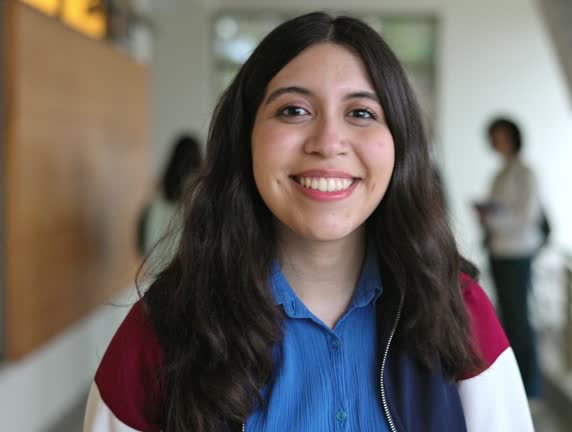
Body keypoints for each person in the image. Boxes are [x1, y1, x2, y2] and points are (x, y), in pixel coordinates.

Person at [84, 13, 533, 432]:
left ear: (400, 146)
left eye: (361, 113)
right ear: (245, 139)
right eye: (294, 110)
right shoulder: (165, 325)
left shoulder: (458, 311)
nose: (328, 142)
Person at [474, 117, 543, 399]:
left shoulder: (525, 174)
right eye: (493, 136)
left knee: (519, 319)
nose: (496, 142)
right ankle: (515, 384)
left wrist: (493, 217)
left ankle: (530, 387)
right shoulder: (500, 174)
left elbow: (526, 217)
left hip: (517, 254)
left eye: (500, 136)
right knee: (506, 317)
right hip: (499, 252)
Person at [136, 134, 202, 269]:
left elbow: (147, 220)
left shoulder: (159, 184)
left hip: (155, 255)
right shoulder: (198, 188)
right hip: (183, 261)